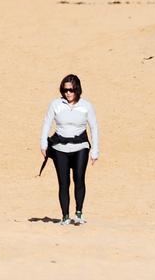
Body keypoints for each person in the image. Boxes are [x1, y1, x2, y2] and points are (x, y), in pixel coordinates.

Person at [40, 74, 100, 225]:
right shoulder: (56, 104)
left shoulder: (86, 106)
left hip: (81, 146)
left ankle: (79, 212)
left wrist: (95, 150)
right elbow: (47, 122)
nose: (68, 93)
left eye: (71, 90)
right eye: (65, 90)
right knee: (63, 182)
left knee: (79, 179)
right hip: (60, 147)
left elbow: (93, 127)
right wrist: (43, 143)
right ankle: (65, 215)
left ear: (77, 90)